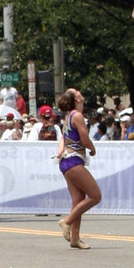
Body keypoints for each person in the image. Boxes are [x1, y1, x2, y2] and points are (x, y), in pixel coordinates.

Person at [56, 88, 100, 248]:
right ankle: (66, 221)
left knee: (78, 200)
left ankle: (74, 238)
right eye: (78, 93)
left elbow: (63, 137)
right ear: (77, 100)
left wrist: (60, 150)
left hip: (67, 161)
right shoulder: (77, 116)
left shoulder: (68, 117)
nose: (81, 93)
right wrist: (93, 149)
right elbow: (84, 137)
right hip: (73, 161)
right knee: (96, 196)